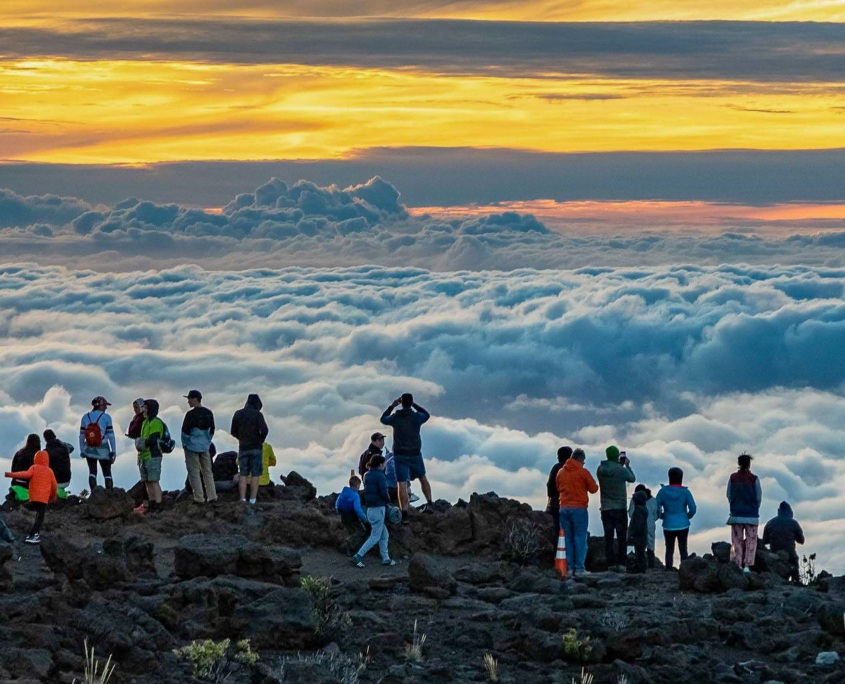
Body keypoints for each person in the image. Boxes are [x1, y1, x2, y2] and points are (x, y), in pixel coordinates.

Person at [380, 393, 433, 523]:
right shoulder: (416, 417)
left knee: (401, 483)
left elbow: (383, 419)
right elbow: (426, 414)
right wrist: (414, 404)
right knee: (423, 477)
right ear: (411, 403)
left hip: (400, 455)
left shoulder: (396, 417)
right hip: (415, 453)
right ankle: (430, 503)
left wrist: (392, 406)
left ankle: (404, 513)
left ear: (401, 403)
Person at [556, 448, 599, 577]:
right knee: (580, 537)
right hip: (579, 508)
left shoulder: (560, 472)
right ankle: (579, 568)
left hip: (563, 507)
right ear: (581, 459)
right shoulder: (583, 472)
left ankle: (569, 568)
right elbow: (593, 489)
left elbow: (558, 487)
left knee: (567, 539)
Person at [596, 445, 636, 571]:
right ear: (617, 455)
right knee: (621, 537)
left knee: (608, 537)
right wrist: (626, 466)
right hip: (620, 507)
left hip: (606, 508)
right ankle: (622, 564)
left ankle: (610, 563)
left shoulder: (600, 469)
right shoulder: (621, 470)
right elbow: (632, 478)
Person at [351, 454, 396, 568]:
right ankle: (358, 555)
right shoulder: (380, 476)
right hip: (378, 509)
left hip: (370, 509)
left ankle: (386, 558)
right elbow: (383, 491)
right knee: (375, 536)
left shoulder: (367, 475)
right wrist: (389, 501)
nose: (385, 465)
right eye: (384, 463)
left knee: (384, 534)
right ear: (380, 464)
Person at [4, 450, 57, 544]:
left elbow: (25, 474)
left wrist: (9, 474)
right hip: (43, 498)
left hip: (33, 496)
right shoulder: (49, 471)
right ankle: (32, 535)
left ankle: (33, 533)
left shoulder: (33, 467)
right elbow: (54, 486)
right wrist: (53, 497)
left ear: (35, 458)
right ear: (47, 459)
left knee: (36, 512)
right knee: (40, 517)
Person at [230, 393, 269, 505]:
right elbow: (265, 430)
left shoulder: (238, 414)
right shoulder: (258, 415)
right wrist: (260, 440)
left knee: (243, 474)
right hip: (256, 447)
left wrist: (241, 438)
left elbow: (233, 431)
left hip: (243, 447)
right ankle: (252, 500)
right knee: (255, 474)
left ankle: (242, 499)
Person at [655, 467, 697, 570]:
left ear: (669, 477)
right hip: (683, 523)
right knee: (683, 548)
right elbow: (693, 508)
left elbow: (656, 508)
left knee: (669, 549)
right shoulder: (685, 492)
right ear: (681, 477)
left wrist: (662, 516)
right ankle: (684, 570)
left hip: (668, 524)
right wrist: (687, 516)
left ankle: (668, 568)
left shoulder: (662, 491)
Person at [180, 389, 217, 505]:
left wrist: (185, 444)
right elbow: (212, 430)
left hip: (192, 447)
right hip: (205, 446)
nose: (188, 402)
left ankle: (199, 498)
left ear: (195, 399)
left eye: (189, 399)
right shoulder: (208, 413)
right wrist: (207, 441)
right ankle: (212, 496)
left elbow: (185, 432)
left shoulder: (190, 414)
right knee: (207, 471)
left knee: (194, 472)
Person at [726, 453, 762, 574]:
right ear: (749, 464)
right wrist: (755, 508)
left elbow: (729, 495)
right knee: (751, 541)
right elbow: (758, 497)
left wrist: (734, 505)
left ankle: (737, 564)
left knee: (737, 540)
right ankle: (747, 565)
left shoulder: (732, 478)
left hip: (736, 514)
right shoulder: (754, 479)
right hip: (751, 516)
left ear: (738, 464)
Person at [79, 396, 117, 491]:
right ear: (100, 406)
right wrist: (113, 451)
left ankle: (94, 493)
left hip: (89, 447)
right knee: (107, 472)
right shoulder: (106, 417)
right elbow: (111, 435)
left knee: (92, 472)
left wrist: (82, 449)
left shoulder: (85, 417)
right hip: (103, 447)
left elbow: (82, 435)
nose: (106, 408)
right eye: (104, 405)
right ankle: (110, 493)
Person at [762, 501, 805, 583]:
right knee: (795, 562)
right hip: (789, 553)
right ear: (790, 513)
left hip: (774, 553)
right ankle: (796, 580)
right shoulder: (794, 523)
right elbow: (801, 541)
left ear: (779, 512)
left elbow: (765, 541)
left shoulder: (770, 523)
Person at [138, 399, 165, 514]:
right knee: (147, 482)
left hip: (153, 455)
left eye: (145, 407)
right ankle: (152, 503)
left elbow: (154, 438)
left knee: (154, 481)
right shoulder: (145, 422)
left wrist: (141, 443)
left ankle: (159, 504)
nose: (143, 409)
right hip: (143, 456)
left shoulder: (156, 422)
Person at [336, 472, 369, 554]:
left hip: (343, 516)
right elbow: (358, 509)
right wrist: (365, 520)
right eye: (359, 486)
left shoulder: (344, 492)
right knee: (361, 532)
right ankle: (348, 546)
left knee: (350, 532)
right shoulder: (355, 495)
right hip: (352, 517)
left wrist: (338, 511)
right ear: (357, 485)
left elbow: (337, 502)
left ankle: (347, 549)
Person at [628, 484, 658, 568]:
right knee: (651, 545)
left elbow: (631, 513)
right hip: (651, 524)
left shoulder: (635, 501)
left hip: (638, 526)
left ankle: (640, 565)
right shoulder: (653, 500)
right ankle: (651, 564)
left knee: (639, 546)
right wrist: (652, 520)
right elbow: (657, 513)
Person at [546, 446, 573, 543]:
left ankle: (557, 551)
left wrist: (551, 496)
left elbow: (550, 484)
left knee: (558, 528)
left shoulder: (556, 468)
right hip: (573, 504)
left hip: (557, 504)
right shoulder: (575, 468)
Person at [9, 434, 41, 499]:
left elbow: (13, 470)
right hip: (28, 485)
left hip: (16, 483)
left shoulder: (18, 453)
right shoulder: (37, 456)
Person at [42, 430, 72, 495]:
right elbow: (71, 447)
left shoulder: (46, 452)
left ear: (45, 439)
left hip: (55, 481)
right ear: (55, 436)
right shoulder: (65, 448)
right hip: (66, 479)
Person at [628, 489, 649, 573]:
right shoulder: (644, 508)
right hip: (642, 536)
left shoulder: (638, 510)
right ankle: (641, 569)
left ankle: (640, 569)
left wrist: (632, 534)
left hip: (639, 536)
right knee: (640, 553)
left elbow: (637, 524)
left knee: (639, 554)